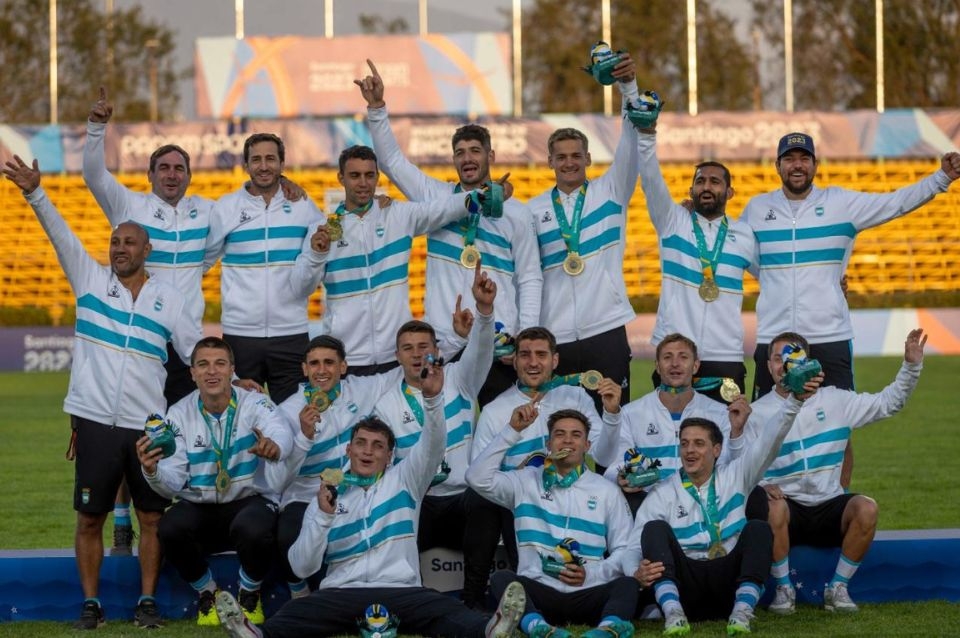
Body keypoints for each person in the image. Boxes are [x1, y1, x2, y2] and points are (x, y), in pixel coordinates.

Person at [2, 155, 200, 630]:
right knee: (90, 518)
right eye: (114, 241)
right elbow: (60, 235)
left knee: (151, 518)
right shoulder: (89, 281)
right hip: (93, 422)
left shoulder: (169, 300)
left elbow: (197, 354)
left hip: (146, 425)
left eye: (129, 242)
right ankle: (91, 604)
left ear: (147, 249)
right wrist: (35, 192)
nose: (119, 248)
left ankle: (147, 602)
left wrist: (235, 381)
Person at [214, 363, 527, 638]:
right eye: (361, 443)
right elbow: (301, 566)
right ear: (348, 450)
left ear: (390, 456)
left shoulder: (406, 479)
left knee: (443, 608)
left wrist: (432, 400)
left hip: (400, 590)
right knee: (298, 613)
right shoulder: (327, 494)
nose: (367, 451)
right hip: (342, 592)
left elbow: (433, 445)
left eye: (377, 446)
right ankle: (257, 634)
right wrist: (322, 516)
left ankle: (488, 630)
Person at [357, 58, 543, 403]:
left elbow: (530, 277)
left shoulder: (517, 213)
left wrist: (524, 336)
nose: (467, 158)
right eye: (460, 153)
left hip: (499, 342)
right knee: (447, 428)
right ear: (453, 159)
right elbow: (392, 162)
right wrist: (377, 107)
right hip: (447, 342)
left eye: (475, 151)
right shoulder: (436, 198)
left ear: (491, 155)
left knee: (504, 426)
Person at [741, 133, 959, 399]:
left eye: (804, 159)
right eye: (789, 159)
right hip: (774, 340)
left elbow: (895, 203)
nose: (797, 165)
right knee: (768, 421)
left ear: (815, 165)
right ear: (777, 166)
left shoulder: (840, 203)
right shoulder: (757, 208)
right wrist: (775, 279)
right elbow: (743, 256)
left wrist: (941, 178)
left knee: (839, 419)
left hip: (829, 337)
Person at [623, 374, 821, 637]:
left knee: (758, 529)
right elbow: (634, 546)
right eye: (685, 444)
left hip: (729, 584)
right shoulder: (662, 492)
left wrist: (794, 401)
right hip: (685, 588)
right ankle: (673, 613)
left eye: (699, 444)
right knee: (654, 529)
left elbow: (769, 441)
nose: (690, 451)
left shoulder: (737, 475)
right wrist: (635, 571)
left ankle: (742, 612)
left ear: (717, 450)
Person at [752, 329, 926, 615]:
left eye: (792, 356)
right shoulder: (757, 412)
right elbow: (740, 467)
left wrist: (911, 366)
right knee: (772, 506)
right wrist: (762, 486)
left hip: (829, 504)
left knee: (867, 508)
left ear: (807, 361)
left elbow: (888, 403)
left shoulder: (836, 401)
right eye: (777, 358)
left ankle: (838, 587)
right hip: (787, 508)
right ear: (768, 365)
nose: (784, 365)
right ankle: (784, 589)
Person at [137, 337, 292, 626]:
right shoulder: (178, 414)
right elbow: (172, 484)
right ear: (192, 373)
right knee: (169, 528)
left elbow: (280, 430)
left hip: (248, 501)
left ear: (232, 370)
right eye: (203, 365)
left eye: (220, 364)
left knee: (255, 528)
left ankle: (249, 592)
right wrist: (152, 471)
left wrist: (276, 447)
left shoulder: (255, 402)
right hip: (201, 505)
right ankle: (208, 592)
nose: (211, 371)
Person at [465, 326, 623, 608]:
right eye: (525, 355)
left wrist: (611, 415)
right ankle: (474, 599)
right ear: (514, 361)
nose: (533, 362)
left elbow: (604, 456)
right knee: (480, 503)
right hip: (521, 504)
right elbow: (479, 476)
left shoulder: (576, 397)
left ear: (555, 360)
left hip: (571, 496)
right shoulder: (495, 411)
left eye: (541, 355)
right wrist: (513, 440)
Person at [313, 144, 501, 376]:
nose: (363, 182)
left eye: (369, 175)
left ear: (377, 177)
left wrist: (482, 195)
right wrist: (316, 254)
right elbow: (302, 286)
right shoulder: (323, 229)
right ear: (341, 178)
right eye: (355, 175)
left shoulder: (397, 215)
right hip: (346, 358)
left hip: (395, 357)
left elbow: (441, 209)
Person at [373, 259, 496, 606]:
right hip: (421, 500)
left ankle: (474, 600)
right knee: (396, 505)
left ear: (437, 350)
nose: (417, 354)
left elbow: (482, 350)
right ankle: (411, 600)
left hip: (462, 497)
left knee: (486, 502)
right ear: (397, 356)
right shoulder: (386, 406)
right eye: (408, 348)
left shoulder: (459, 379)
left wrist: (484, 312)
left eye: (424, 346)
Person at [528, 52, 641, 410]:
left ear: (588, 159)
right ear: (550, 162)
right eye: (561, 157)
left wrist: (629, 88)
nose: (569, 162)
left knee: (615, 421)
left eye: (576, 155)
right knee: (558, 429)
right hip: (555, 335)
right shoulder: (532, 211)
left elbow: (630, 142)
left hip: (606, 329)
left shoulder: (612, 192)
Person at [466, 408, 637, 638]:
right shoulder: (524, 481)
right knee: (502, 580)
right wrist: (512, 431)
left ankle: (605, 630)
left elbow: (624, 549)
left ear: (587, 445)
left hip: (587, 591)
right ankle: (539, 628)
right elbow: (476, 477)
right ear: (548, 444)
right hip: (540, 592)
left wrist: (590, 574)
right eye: (559, 434)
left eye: (576, 435)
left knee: (627, 585)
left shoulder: (607, 491)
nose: (567, 440)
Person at [271, 334, 403, 599]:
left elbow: (402, 371)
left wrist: (456, 341)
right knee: (287, 535)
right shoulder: (287, 412)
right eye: (314, 363)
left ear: (343, 367)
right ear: (305, 369)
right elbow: (278, 480)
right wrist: (304, 437)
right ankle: (299, 591)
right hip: (305, 494)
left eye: (329, 362)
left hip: (357, 488)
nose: (322, 370)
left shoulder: (360, 388)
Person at [635, 125, 757, 399]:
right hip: (675, 352)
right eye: (700, 181)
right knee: (672, 426)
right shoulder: (672, 222)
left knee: (728, 426)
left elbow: (774, 277)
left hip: (726, 353)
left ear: (730, 192)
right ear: (691, 190)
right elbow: (651, 180)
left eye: (715, 182)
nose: (707, 186)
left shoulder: (744, 234)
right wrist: (646, 137)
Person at [204, 133, 326, 404]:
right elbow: (202, 261)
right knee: (241, 418)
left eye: (270, 159)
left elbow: (322, 251)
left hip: (291, 334)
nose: (263, 166)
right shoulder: (226, 208)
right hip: (240, 335)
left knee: (296, 416)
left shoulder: (303, 206)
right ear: (246, 165)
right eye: (256, 159)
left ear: (282, 164)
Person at [603, 334, 750, 515]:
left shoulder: (720, 413)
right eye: (667, 357)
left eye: (683, 357)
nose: (675, 363)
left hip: (702, 502)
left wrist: (737, 433)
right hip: (650, 505)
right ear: (657, 366)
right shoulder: (631, 413)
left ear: (695, 366)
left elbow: (733, 469)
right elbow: (614, 466)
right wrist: (620, 477)